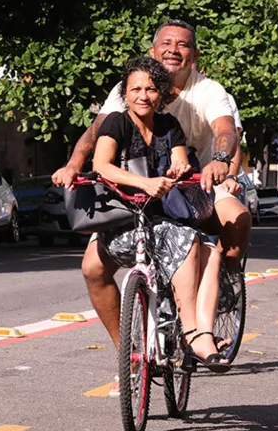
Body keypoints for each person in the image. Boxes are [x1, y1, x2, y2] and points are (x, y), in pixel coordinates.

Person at [52, 21, 250, 389]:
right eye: (166, 43)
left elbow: (226, 132)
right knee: (93, 268)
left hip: (199, 183)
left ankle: (220, 293)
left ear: (195, 55)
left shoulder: (205, 94)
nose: (174, 49)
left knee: (230, 223)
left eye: (183, 44)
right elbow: (95, 140)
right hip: (133, 198)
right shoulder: (120, 110)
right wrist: (72, 166)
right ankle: (129, 354)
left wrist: (219, 161)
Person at [91, 56, 229, 375]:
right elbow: (102, 165)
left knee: (201, 245)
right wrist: (145, 182)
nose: (143, 95)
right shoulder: (116, 122)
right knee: (91, 268)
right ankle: (131, 354)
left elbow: (180, 161)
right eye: (135, 89)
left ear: (162, 94)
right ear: (125, 93)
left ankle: (193, 332)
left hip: (164, 218)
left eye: (151, 89)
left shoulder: (169, 126)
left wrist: (178, 169)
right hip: (123, 218)